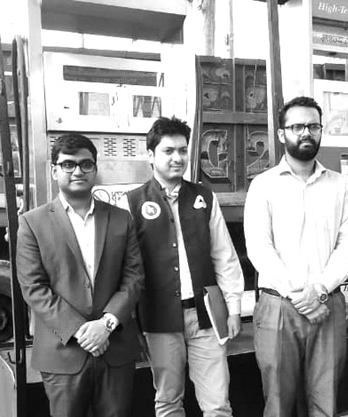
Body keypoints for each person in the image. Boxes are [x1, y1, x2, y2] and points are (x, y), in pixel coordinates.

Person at [244, 96, 348, 416]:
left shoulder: (339, 185)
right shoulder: (263, 185)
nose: (306, 132)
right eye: (297, 127)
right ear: (282, 134)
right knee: (278, 402)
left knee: (326, 399)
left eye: (313, 126)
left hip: (327, 304)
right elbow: (259, 247)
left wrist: (319, 290)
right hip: (279, 306)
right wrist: (297, 295)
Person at [122, 116, 244, 416]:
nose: (177, 158)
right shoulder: (132, 203)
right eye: (168, 151)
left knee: (217, 404)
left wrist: (233, 308)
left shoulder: (204, 197)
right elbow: (127, 271)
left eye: (182, 150)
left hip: (205, 314)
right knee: (168, 401)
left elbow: (224, 255)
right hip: (159, 317)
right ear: (150, 155)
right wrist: (131, 321)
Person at [16, 133, 144, 417]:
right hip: (62, 353)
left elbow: (134, 278)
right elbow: (34, 287)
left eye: (86, 164)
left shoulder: (121, 218)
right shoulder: (32, 223)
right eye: (68, 164)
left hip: (115, 349)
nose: (78, 171)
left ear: (95, 170)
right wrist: (81, 331)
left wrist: (106, 325)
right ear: (54, 171)